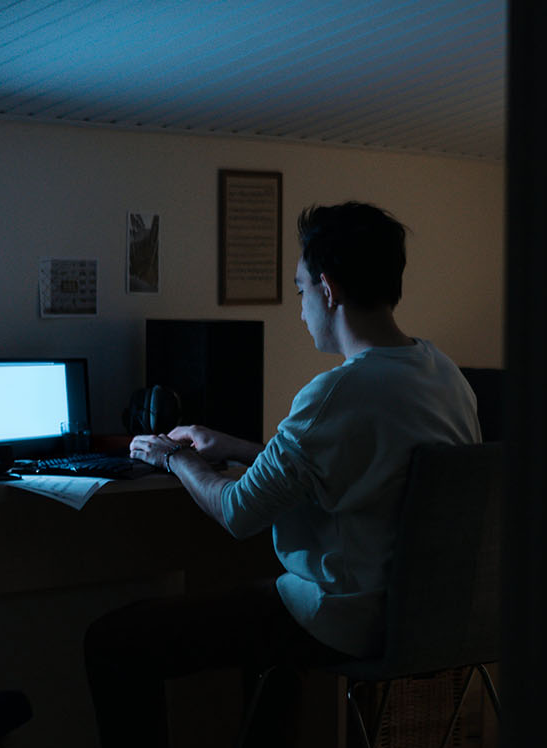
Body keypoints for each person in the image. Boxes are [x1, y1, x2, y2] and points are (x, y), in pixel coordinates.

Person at [85, 201, 481, 747]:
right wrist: (239, 447)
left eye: (299, 291)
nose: (299, 311)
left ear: (328, 289)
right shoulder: (443, 373)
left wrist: (173, 457)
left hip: (345, 620)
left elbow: (237, 512)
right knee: (259, 612)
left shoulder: (337, 392)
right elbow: (360, 465)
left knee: (115, 641)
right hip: (433, 619)